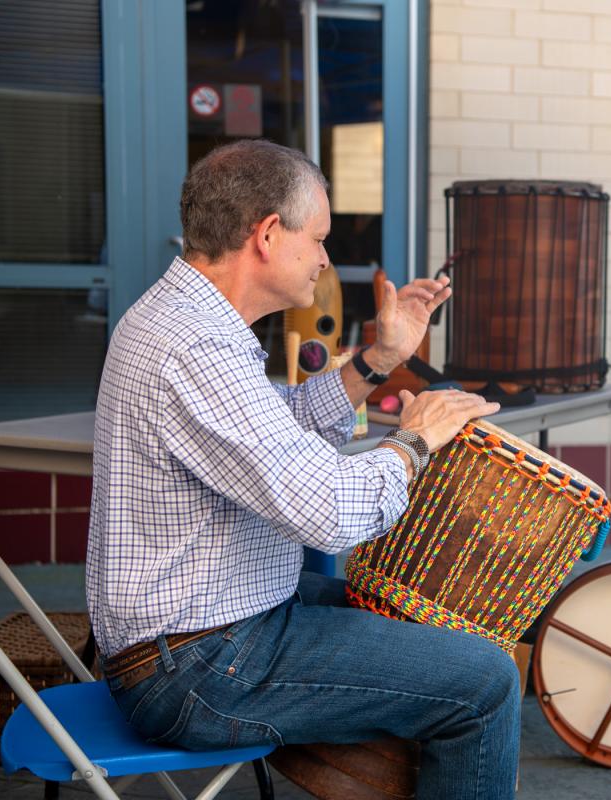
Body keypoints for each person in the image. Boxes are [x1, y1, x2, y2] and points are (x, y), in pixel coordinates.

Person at [86, 139, 518, 799]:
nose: (323, 259)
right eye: (317, 238)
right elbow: (332, 515)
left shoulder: (183, 318)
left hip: (205, 628)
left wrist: (377, 357)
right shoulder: (196, 346)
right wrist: (417, 439)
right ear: (266, 234)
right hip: (198, 666)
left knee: (415, 619)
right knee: (484, 681)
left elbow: (282, 429)